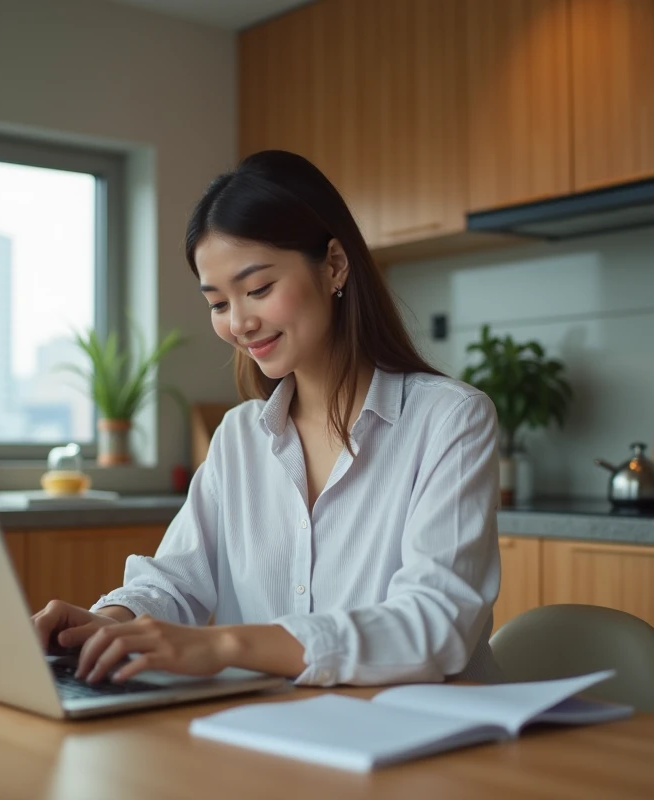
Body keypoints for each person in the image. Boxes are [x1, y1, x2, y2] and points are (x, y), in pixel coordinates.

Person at [31, 150, 501, 687]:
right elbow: (176, 581)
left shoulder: (450, 420)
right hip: (272, 737)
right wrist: (106, 623)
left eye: (257, 289)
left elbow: (435, 626)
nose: (239, 323)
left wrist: (227, 644)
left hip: (429, 745)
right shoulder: (239, 436)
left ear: (334, 265)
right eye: (217, 302)